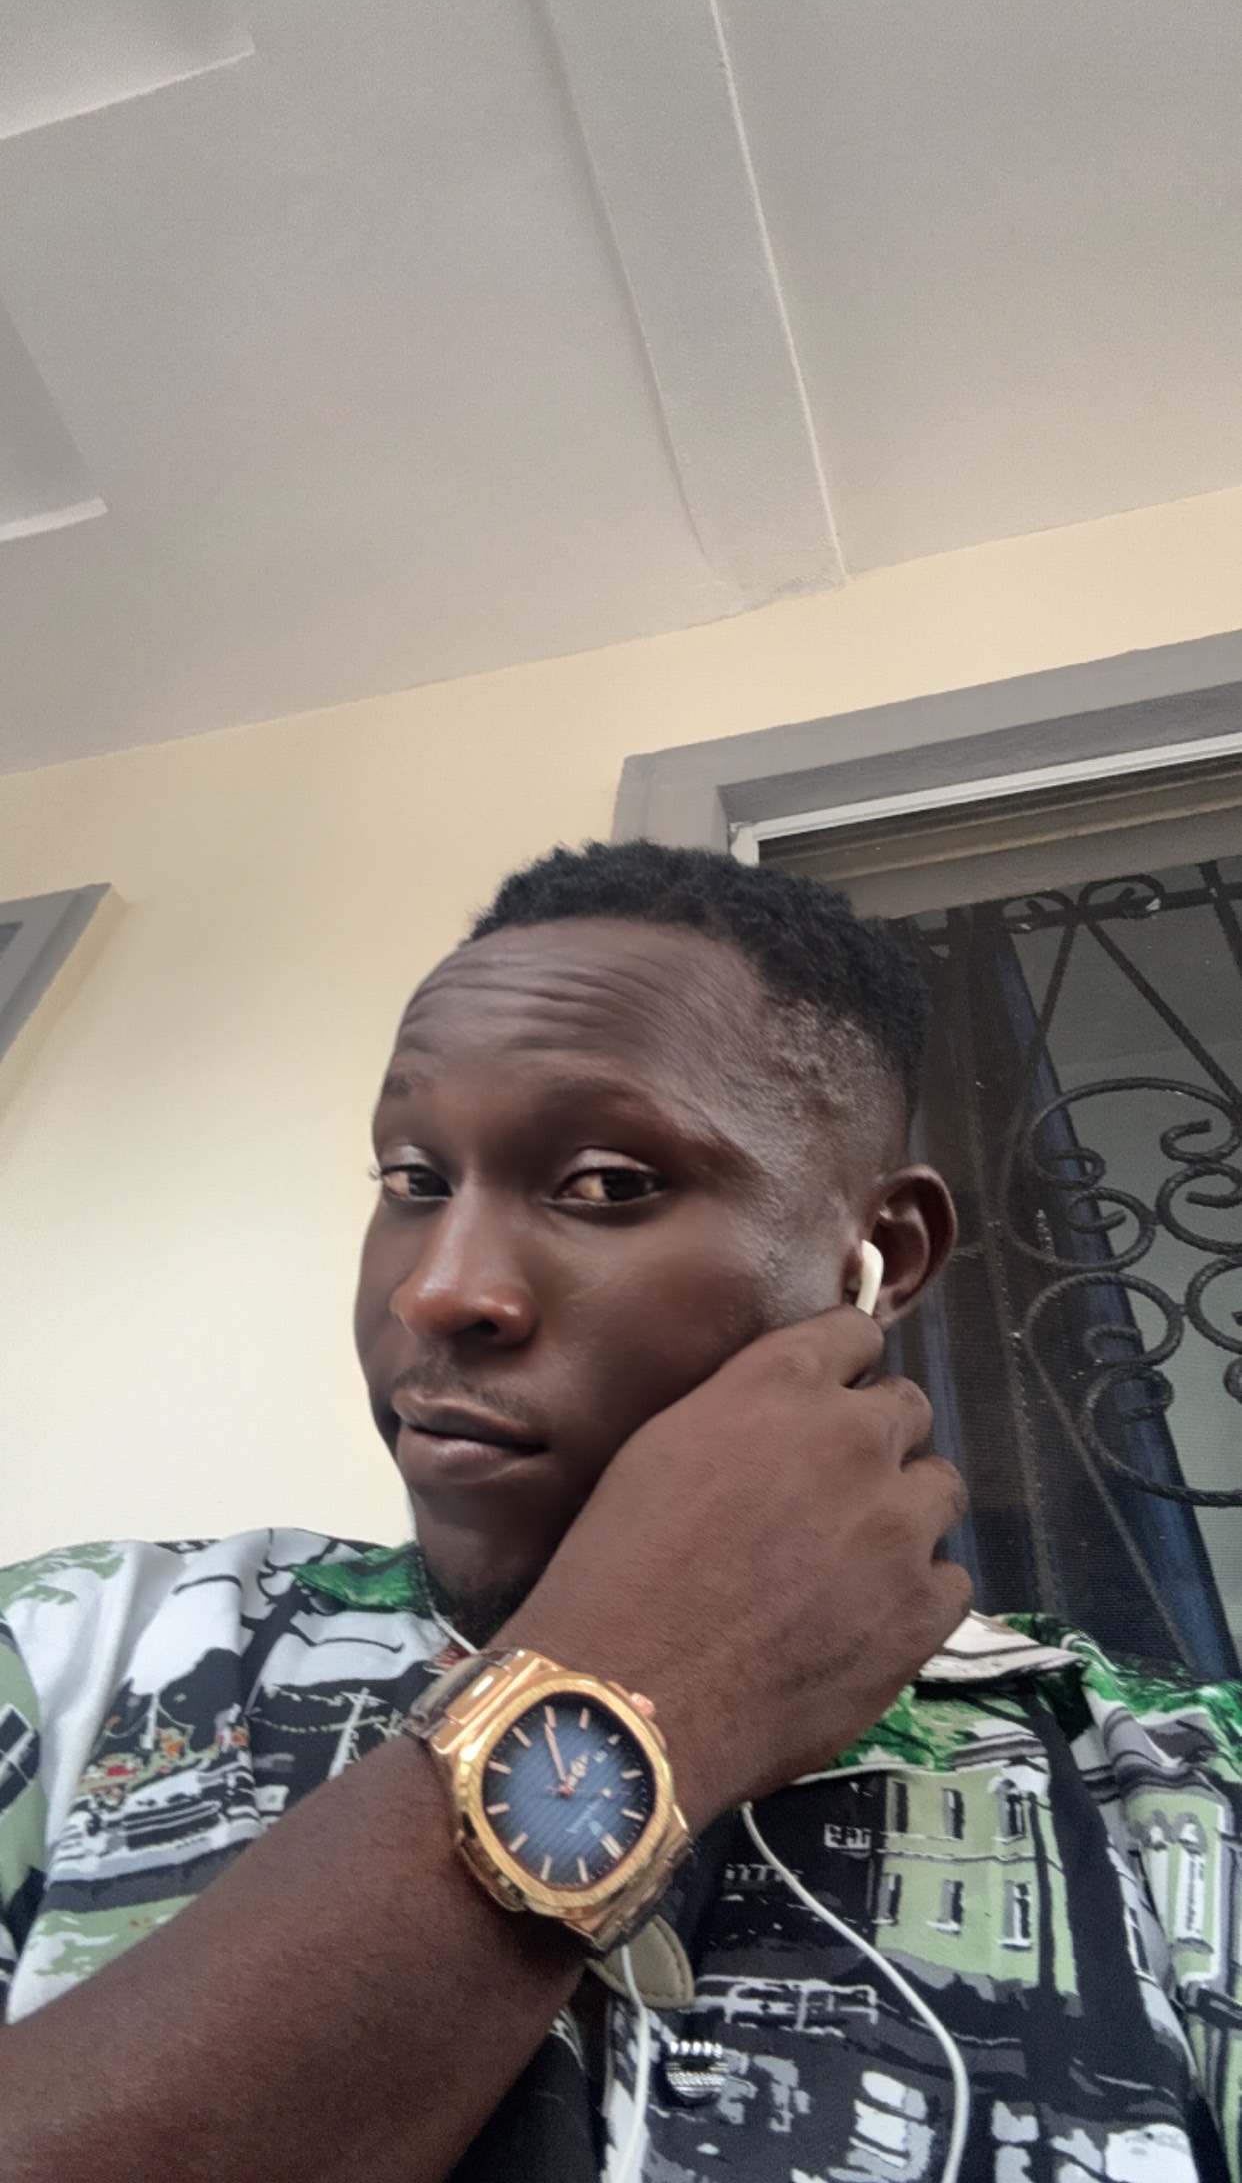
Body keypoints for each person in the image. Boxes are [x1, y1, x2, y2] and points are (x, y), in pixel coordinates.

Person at [0, 840, 1237, 2183]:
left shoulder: (1173, 1800)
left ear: (879, 1257)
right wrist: (635, 1686)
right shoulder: (78, 1650)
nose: (438, 1290)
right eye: (413, 1180)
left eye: (605, 1182)